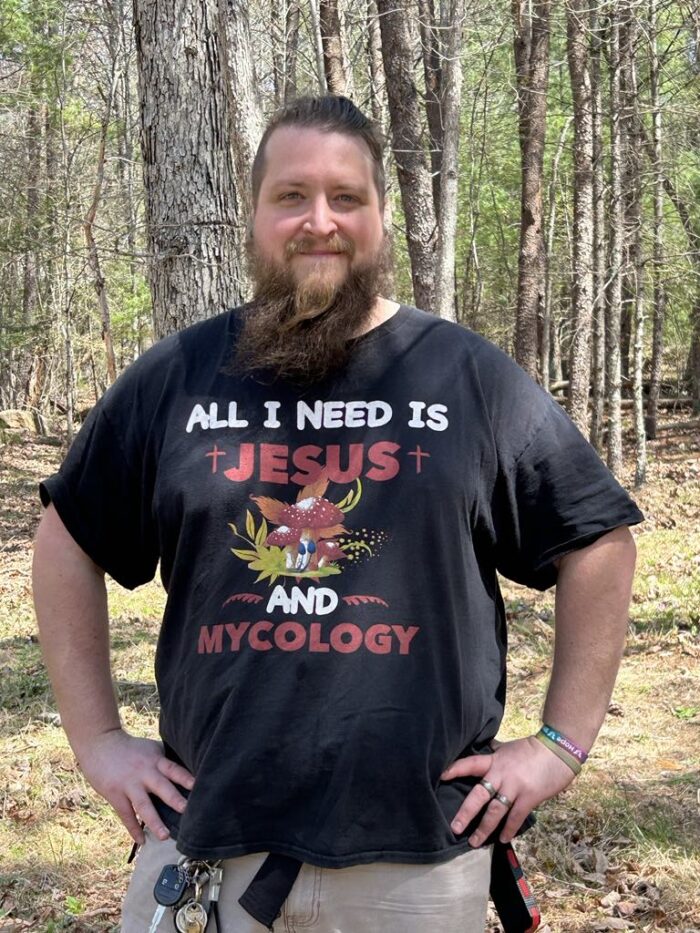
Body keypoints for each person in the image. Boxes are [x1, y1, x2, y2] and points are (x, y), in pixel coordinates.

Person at [33, 95, 641, 932]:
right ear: (254, 216)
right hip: (207, 845)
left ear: (381, 219)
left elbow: (598, 536)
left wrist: (561, 744)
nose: (320, 221)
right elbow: (66, 537)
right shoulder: (180, 374)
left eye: (345, 198)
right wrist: (98, 740)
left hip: (418, 858)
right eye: (292, 196)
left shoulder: (462, 376)